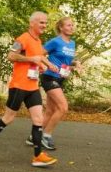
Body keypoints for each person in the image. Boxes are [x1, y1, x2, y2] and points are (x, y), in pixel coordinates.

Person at [0, 11, 58, 167]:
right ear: (32, 23)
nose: (45, 25)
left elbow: (39, 56)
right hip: (19, 86)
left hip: (33, 86)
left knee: (38, 119)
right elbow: (11, 56)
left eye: (46, 23)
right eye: (41, 22)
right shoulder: (22, 39)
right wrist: (30, 59)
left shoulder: (37, 41)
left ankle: (37, 156)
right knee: (8, 118)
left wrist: (46, 65)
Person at [26, 16, 79, 150]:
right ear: (61, 27)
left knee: (50, 110)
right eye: (68, 25)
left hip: (60, 79)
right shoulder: (55, 41)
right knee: (63, 107)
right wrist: (48, 64)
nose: (71, 27)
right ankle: (46, 135)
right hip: (50, 78)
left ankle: (34, 137)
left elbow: (65, 61)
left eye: (72, 25)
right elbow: (39, 54)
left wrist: (75, 63)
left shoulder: (72, 43)